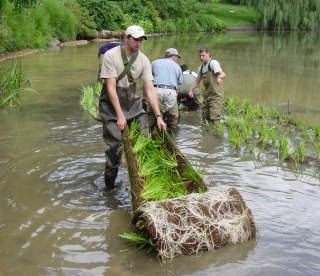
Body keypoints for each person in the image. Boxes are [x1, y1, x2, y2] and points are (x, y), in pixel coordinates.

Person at [99, 25, 166, 190]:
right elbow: (110, 88)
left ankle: (144, 182)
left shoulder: (143, 60)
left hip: (132, 104)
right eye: (135, 39)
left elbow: (149, 90)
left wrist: (158, 116)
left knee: (144, 140)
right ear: (126, 38)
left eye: (141, 40)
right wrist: (120, 116)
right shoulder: (110, 56)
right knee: (116, 148)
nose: (138, 43)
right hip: (111, 107)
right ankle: (109, 187)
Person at [189, 46, 226, 123]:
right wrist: (190, 90)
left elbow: (223, 74)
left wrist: (219, 77)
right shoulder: (201, 68)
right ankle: (206, 134)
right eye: (200, 56)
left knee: (214, 117)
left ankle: (216, 134)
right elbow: (197, 83)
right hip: (207, 95)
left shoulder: (213, 63)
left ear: (208, 54)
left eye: (203, 55)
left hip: (216, 95)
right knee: (205, 117)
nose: (201, 57)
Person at [150, 48, 183, 133]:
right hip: (171, 91)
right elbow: (178, 87)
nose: (177, 60)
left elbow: (148, 80)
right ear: (173, 57)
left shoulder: (155, 62)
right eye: (177, 58)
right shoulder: (178, 67)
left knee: (151, 116)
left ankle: (147, 136)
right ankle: (174, 139)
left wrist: (146, 96)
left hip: (156, 90)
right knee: (173, 119)